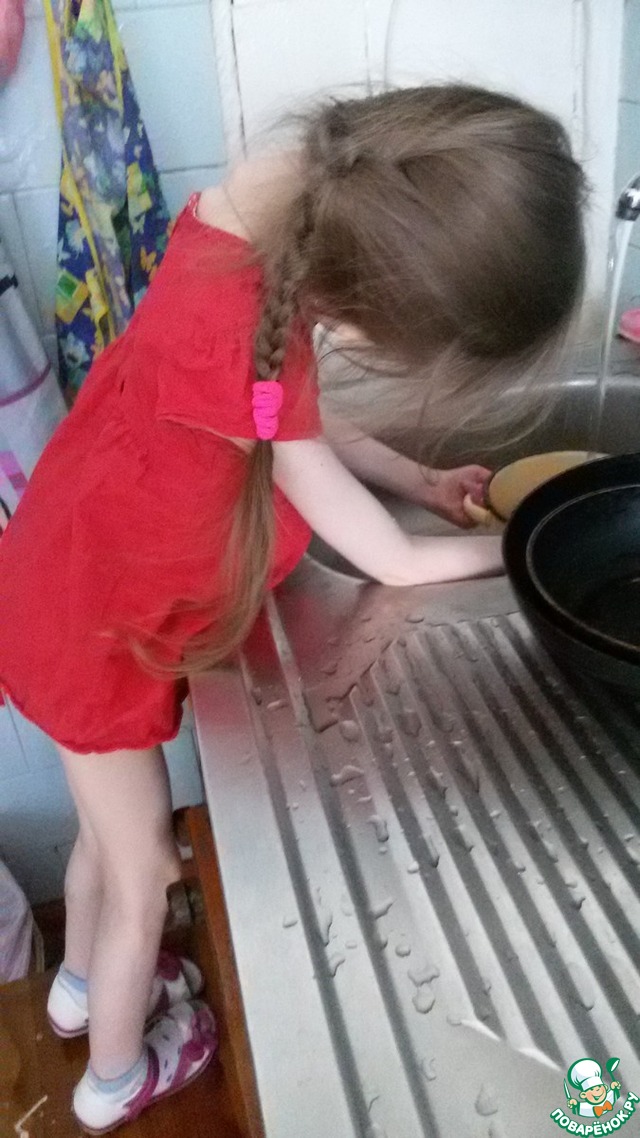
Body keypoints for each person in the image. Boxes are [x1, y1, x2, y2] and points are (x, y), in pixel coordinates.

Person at [0, 83, 586, 1132]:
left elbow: (289, 416)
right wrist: (519, 542)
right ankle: (114, 1078)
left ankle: (80, 989)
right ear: (372, 309)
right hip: (91, 633)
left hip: (60, 585)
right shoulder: (243, 332)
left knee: (106, 834)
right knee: (145, 872)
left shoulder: (253, 228)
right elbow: (386, 558)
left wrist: (421, 475)